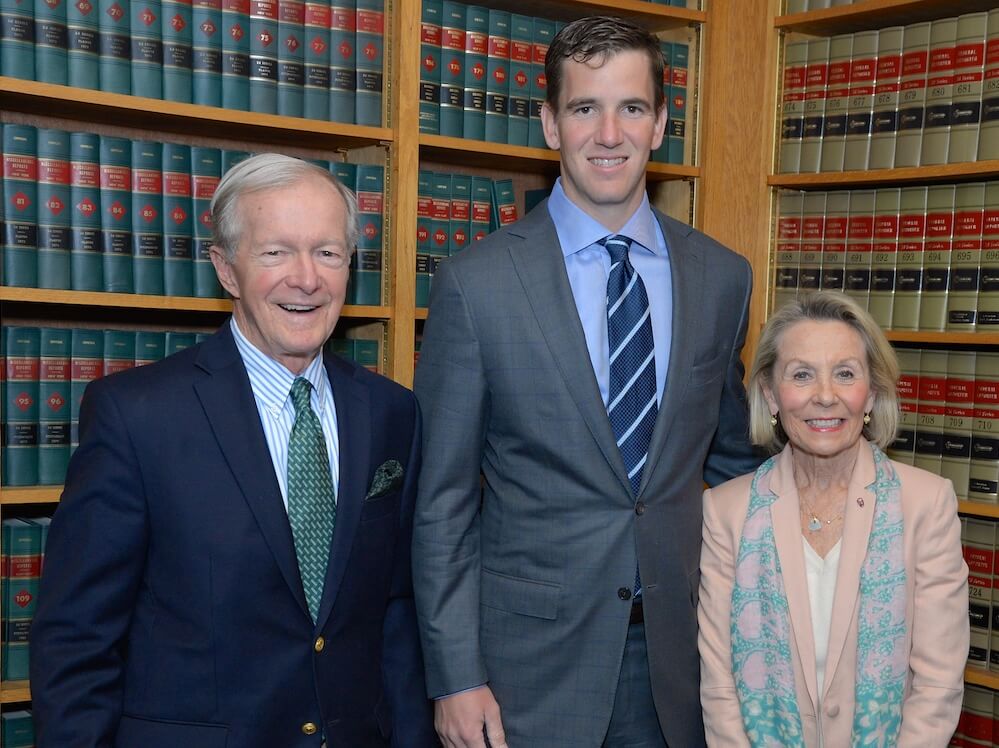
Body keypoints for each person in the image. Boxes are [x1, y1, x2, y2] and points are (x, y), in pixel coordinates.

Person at [412, 16, 761, 748]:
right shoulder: (475, 285)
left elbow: (735, 467)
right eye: (583, 108)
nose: (609, 132)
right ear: (548, 124)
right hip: (524, 672)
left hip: (682, 658)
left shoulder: (721, 277)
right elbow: (440, 502)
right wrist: (453, 675)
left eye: (630, 107)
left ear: (661, 123)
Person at [30, 153, 437, 748]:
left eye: (328, 252)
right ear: (226, 270)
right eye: (275, 252)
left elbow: (398, 616)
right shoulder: (136, 416)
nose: (307, 278)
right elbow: (77, 640)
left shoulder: (392, 413)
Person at [698, 290, 969, 747]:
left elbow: (937, 685)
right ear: (771, 395)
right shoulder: (726, 511)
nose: (825, 397)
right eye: (802, 375)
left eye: (845, 374)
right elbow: (720, 687)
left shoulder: (927, 504)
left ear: (871, 394)